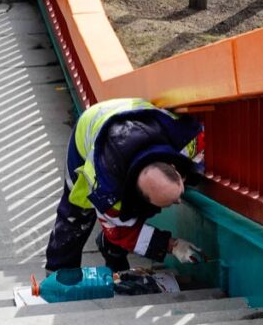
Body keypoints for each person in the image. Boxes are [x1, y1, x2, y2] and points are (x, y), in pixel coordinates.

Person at [45, 97, 206, 273]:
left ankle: (111, 250)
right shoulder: (109, 190)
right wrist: (173, 246)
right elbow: (123, 232)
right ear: (137, 193)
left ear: (173, 166)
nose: (179, 202)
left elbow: (202, 140)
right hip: (88, 130)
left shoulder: (181, 138)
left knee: (134, 213)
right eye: (171, 201)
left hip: (129, 114)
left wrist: (194, 172)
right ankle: (58, 273)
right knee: (76, 216)